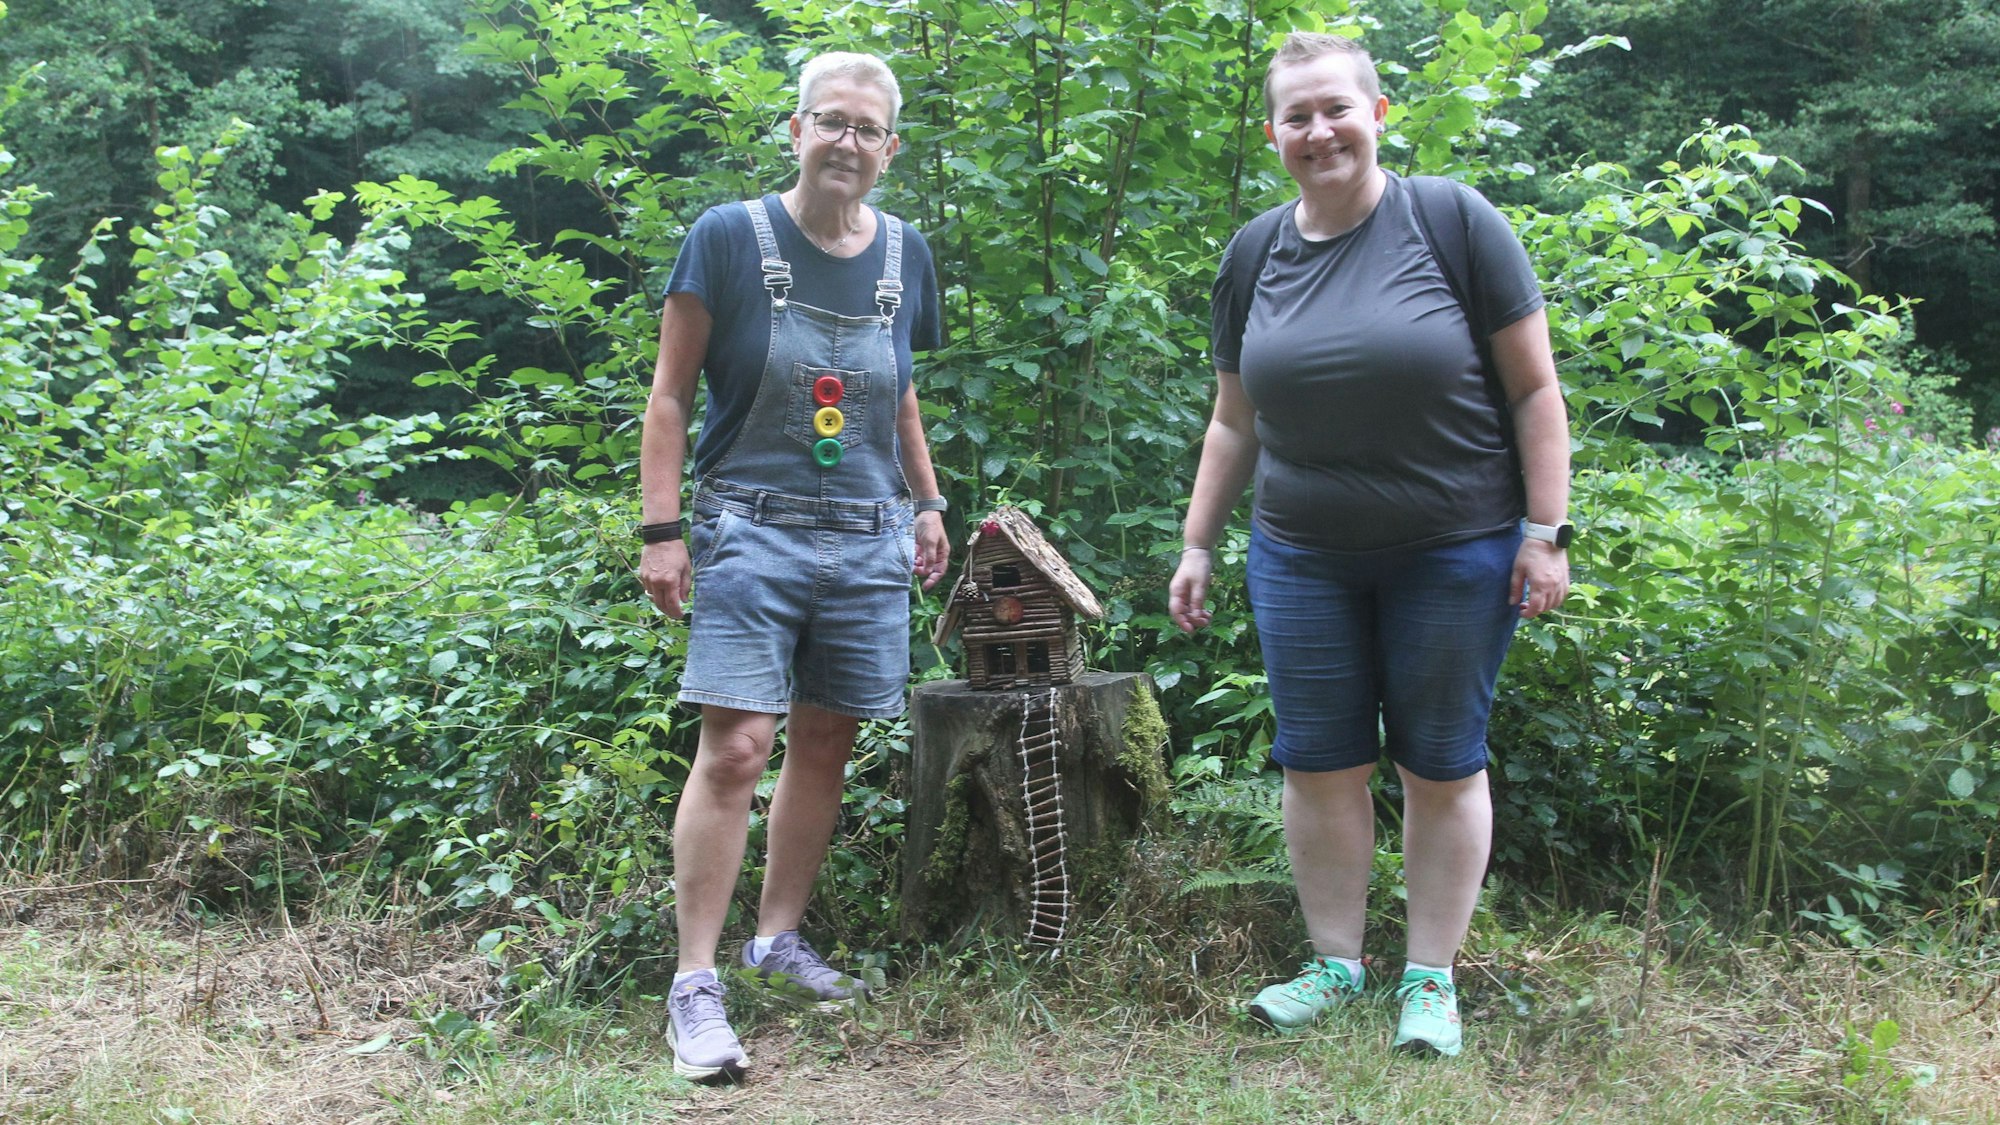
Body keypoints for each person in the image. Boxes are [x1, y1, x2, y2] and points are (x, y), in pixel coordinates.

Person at [1168, 32, 1572, 1058]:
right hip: (1301, 555)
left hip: (1456, 549)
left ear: (1377, 113)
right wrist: (1198, 543)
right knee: (1319, 765)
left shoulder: (1450, 222)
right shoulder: (1253, 253)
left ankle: (1428, 980)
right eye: (1295, 116)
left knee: (1439, 766)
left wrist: (1545, 532)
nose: (1318, 130)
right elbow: (1232, 420)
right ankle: (1333, 965)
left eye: (1335, 108)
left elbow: (1533, 391)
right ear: (1273, 134)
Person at [635, 51, 951, 1082]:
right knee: (736, 748)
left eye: (866, 129)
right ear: (795, 130)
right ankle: (694, 985)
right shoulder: (729, 238)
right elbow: (672, 395)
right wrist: (661, 529)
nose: (846, 143)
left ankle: (775, 943)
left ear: (889, 148)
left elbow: (895, 391)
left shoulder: (905, 253)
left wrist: (928, 502)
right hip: (747, 529)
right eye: (831, 123)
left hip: (869, 535)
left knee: (825, 740)